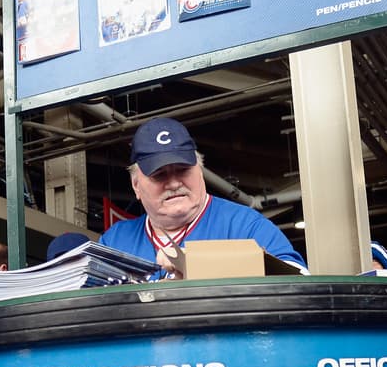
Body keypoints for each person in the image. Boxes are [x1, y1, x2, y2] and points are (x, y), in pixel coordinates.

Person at [99, 117, 307, 272]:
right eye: (159, 175)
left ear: (200, 170)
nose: (173, 183)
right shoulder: (115, 240)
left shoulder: (243, 224)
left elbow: (301, 281)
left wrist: (205, 262)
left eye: (182, 170)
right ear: (136, 186)